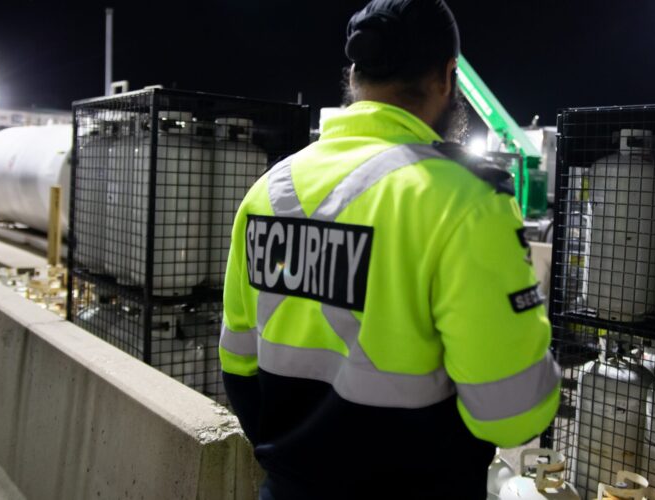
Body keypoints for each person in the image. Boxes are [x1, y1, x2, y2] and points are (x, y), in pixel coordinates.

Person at [219, 1, 561, 498]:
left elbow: (238, 368)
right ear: (447, 77)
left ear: (355, 78)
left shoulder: (267, 192)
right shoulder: (465, 202)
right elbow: (513, 414)